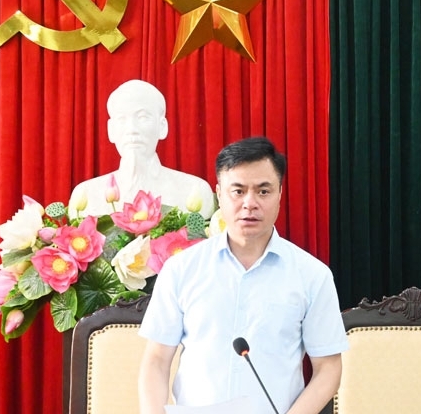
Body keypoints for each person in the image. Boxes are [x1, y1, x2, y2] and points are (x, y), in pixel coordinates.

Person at [137, 136, 348, 414]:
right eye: (238, 191)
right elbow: (156, 360)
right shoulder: (181, 269)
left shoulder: (312, 275)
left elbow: (328, 368)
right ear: (219, 194)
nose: (250, 203)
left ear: (280, 194)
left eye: (263, 191)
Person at [68, 79, 216, 220]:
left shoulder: (194, 191)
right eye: (122, 119)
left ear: (162, 127)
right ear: (111, 130)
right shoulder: (87, 195)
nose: (132, 129)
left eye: (143, 117)